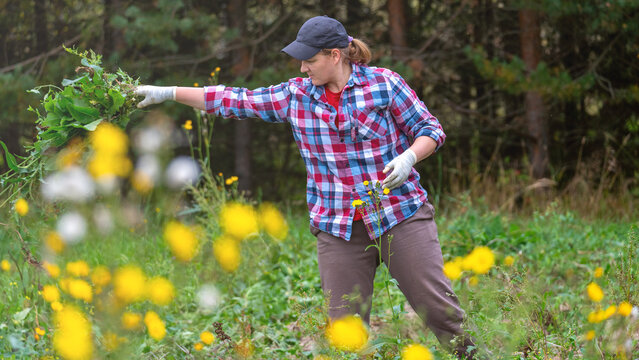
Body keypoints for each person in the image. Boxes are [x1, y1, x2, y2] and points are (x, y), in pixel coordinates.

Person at [135, 15, 477, 359]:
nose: (302, 68)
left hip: (399, 215)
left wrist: (408, 158)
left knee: (441, 313)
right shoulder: (295, 96)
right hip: (338, 227)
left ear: (335, 55)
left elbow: (430, 129)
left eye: (310, 60)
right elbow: (233, 100)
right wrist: (167, 93)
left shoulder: (385, 85)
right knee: (345, 337)